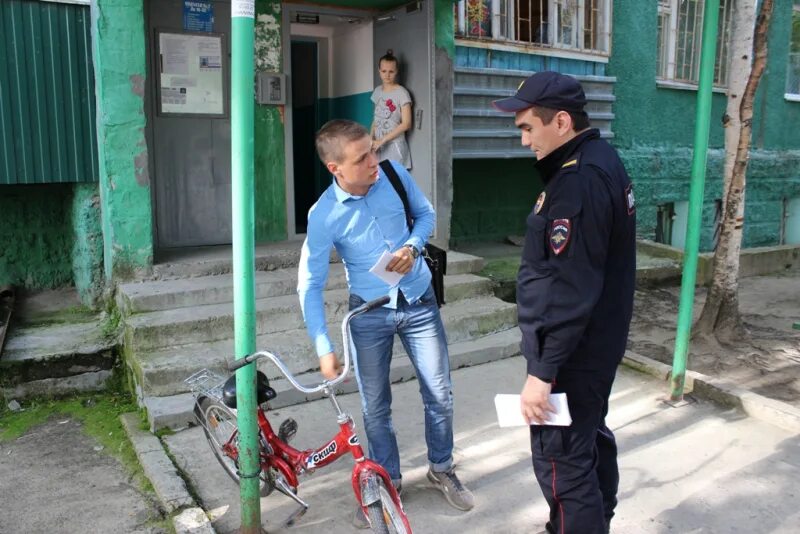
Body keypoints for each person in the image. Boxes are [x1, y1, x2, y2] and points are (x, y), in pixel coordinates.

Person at [297, 119, 474, 528]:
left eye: (373, 150)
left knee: (440, 394)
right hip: (369, 314)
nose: (373, 161)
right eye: (362, 158)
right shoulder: (323, 215)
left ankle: (442, 467)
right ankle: (387, 483)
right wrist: (323, 345)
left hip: (419, 302)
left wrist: (413, 246)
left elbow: (425, 215)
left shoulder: (393, 174)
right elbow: (309, 284)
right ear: (335, 168)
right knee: (375, 407)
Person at [492, 71, 636, 534]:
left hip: (573, 355)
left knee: (563, 464)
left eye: (527, 128)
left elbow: (569, 290)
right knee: (588, 442)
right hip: (593, 346)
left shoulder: (578, 181)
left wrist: (542, 373)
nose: (523, 141)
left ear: (560, 121)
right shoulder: (599, 158)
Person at [371, 50, 413, 169]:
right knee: (379, 178)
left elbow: (406, 124)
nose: (387, 75)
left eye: (391, 71)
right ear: (379, 71)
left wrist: (382, 140)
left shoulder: (402, 93)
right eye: (384, 71)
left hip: (395, 146)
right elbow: (376, 119)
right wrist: (370, 139)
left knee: (393, 178)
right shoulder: (377, 91)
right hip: (378, 147)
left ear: (396, 71)